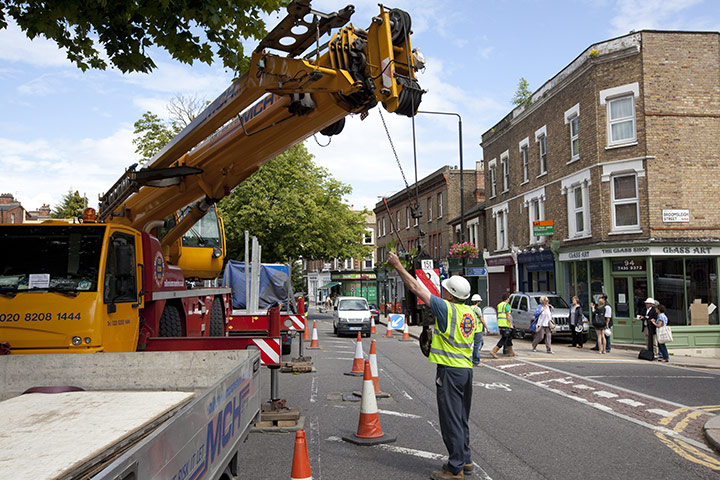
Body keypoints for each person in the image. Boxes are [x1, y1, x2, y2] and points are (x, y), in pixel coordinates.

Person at [387, 252, 476, 480]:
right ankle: (465, 460)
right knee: (461, 417)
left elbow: (417, 288)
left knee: (450, 419)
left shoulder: (447, 309)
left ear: (452, 295)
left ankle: (455, 468)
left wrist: (398, 265)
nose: (442, 291)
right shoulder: (470, 313)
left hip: (450, 371)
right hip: (465, 371)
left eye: (445, 289)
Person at [491, 293, 515, 358]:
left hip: (500, 323)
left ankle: (511, 351)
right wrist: (510, 324)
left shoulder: (499, 305)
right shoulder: (507, 305)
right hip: (505, 323)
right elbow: (508, 315)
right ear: (507, 299)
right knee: (504, 338)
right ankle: (494, 351)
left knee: (509, 337)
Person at [470, 294, 489, 367]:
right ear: (478, 301)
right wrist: (486, 328)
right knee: (477, 346)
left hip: (472, 329)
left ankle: (474, 357)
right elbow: (481, 319)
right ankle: (476, 361)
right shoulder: (477, 309)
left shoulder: (470, 308)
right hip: (477, 330)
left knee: (480, 343)